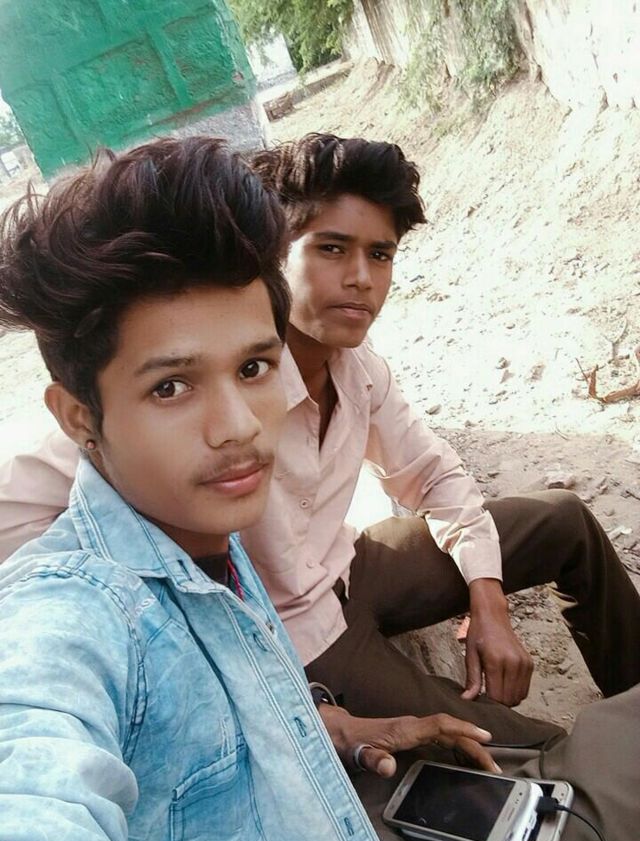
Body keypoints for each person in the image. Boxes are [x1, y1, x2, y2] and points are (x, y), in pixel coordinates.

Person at [1, 134, 640, 746]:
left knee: (564, 521)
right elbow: (21, 510)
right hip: (302, 638)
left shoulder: (357, 370)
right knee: (538, 753)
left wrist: (488, 594)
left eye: (380, 255)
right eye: (332, 249)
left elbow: (431, 473)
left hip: (350, 565)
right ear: (275, 258)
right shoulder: (190, 388)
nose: (361, 278)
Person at [0, 137, 501, 841]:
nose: (238, 427)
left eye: (255, 368)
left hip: (340, 597)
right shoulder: (78, 619)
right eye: (171, 387)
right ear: (81, 418)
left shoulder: (208, 531)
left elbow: (430, 471)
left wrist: (333, 728)